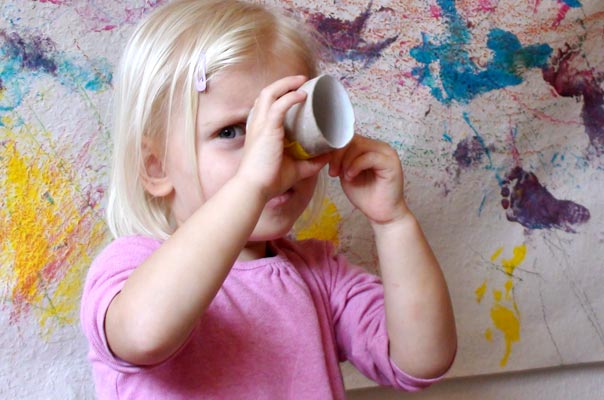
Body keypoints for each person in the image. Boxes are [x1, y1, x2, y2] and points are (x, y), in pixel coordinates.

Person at [80, 0, 457, 398]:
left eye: (287, 124)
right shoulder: (131, 268)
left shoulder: (317, 274)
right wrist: (250, 184)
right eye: (232, 132)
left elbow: (421, 361)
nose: (271, 152)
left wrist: (393, 222)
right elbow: (144, 335)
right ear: (157, 168)